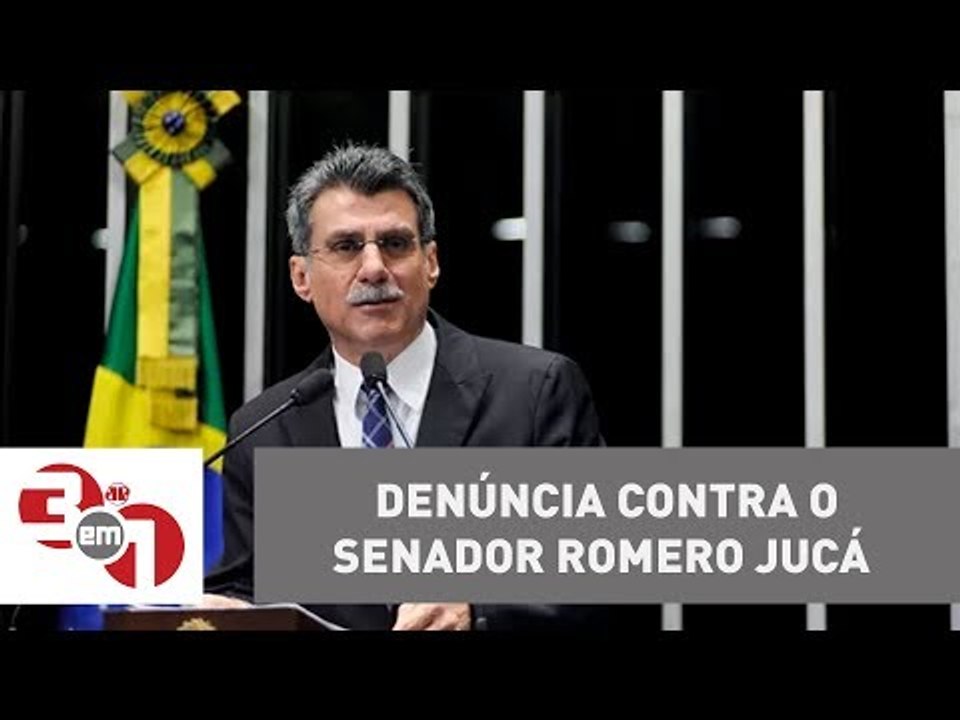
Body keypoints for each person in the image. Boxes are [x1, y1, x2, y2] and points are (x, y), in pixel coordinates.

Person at [204, 143, 605, 630]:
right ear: (301, 277)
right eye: (346, 246)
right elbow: (244, 588)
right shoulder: (266, 429)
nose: (374, 268)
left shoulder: (533, 394)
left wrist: (475, 610)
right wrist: (227, 613)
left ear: (430, 262)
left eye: (395, 244)